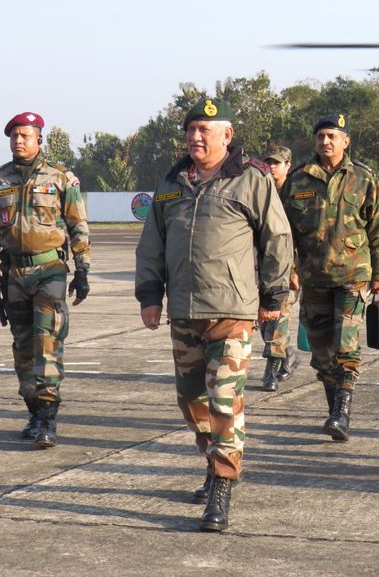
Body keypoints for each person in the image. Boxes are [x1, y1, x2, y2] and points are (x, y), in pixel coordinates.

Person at [135, 98, 292, 532]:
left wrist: (274, 294)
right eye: (191, 129)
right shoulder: (172, 183)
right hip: (185, 311)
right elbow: (152, 243)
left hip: (232, 310)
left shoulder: (251, 179)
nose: (195, 136)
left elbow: (277, 238)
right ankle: (212, 459)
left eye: (205, 129)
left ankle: (222, 483)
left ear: (228, 135)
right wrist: (149, 294)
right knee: (191, 401)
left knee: (224, 399)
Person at [0, 111, 91, 448]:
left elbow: (78, 225)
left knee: (47, 342)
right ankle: (34, 411)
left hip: (49, 272)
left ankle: (48, 417)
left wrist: (82, 270)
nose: (18, 141)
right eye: (14, 136)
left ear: (39, 139)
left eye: (25, 135)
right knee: (23, 347)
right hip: (13, 274)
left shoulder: (60, 177)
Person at [282, 113, 379, 442]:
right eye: (321, 136)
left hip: (353, 276)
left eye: (332, 136)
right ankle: (334, 410)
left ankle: (342, 412)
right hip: (313, 278)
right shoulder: (298, 179)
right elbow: (283, 233)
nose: (325, 141)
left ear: (346, 141)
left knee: (346, 345)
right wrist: (289, 270)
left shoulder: (364, 178)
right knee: (321, 352)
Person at [260, 144, 300, 391]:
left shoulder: (296, 195)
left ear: (288, 165)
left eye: (276, 163)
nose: (271, 167)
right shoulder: (261, 191)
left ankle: (271, 371)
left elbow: (301, 236)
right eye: (268, 162)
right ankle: (288, 355)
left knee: (278, 317)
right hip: (263, 267)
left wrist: (296, 269)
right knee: (265, 320)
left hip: (287, 268)